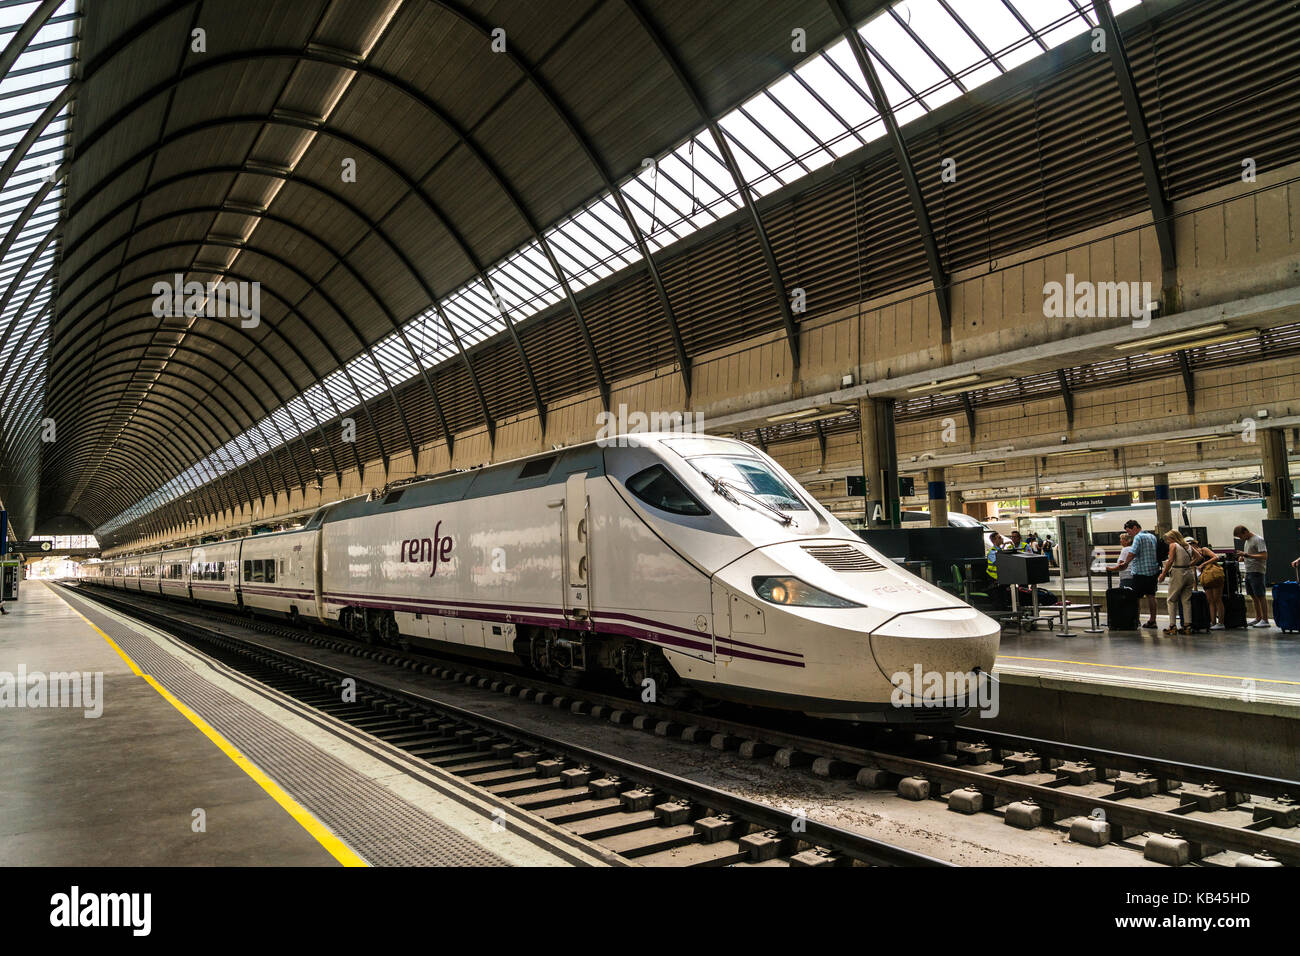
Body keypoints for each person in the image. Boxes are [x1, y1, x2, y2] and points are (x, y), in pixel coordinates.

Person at [1122, 519, 1160, 628]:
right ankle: (1153, 620)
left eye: (1129, 531)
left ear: (1135, 528)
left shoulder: (1138, 537)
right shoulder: (1152, 536)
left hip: (1140, 571)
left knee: (1136, 597)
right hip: (1153, 571)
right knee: (1151, 596)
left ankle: (1135, 620)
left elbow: (1132, 553)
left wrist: (1125, 563)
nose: (1129, 534)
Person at [1157, 530, 1196, 635]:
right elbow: (1199, 557)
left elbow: (1170, 561)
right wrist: (1188, 563)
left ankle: (1172, 626)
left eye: (1168, 539)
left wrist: (1163, 574)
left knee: (1171, 600)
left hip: (1178, 573)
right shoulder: (1188, 546)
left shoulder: (1173, 545)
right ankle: (1187, 626)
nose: (1168, 542)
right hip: (1189, 572)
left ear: (1173, 538)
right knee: (1186, 600)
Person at [1233, 525, 1270, 627]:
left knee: (1260, 595)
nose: (1240, 539)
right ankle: (1258, 618)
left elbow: (1264, 556)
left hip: (1257, 571)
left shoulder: (1258, 540)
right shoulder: (1247, 541)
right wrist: (1243, 557)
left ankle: (1265, 619)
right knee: (1254, 596)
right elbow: (1250, 554)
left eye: (1240, 536)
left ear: (1245, 532)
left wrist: (1247, 555)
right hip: (1249, 571)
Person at [1188, 537, 1225, 629]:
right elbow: (1193, 571)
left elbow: (1216, 557)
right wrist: (1195, 588)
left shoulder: (1204, 550)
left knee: (1217, 599)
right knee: (1210, 600)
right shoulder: (1193, 557)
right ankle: (1212, 622)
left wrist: (1204, 564)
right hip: (1205, 578)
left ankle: (1221, 622)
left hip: (1214, 575)